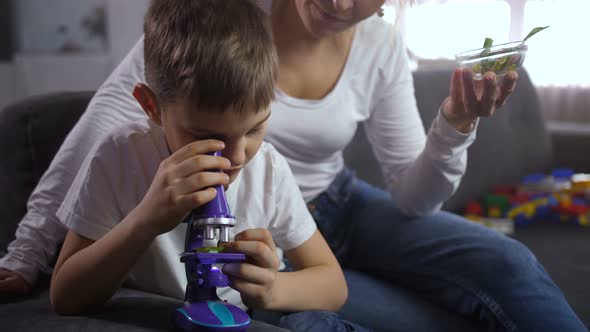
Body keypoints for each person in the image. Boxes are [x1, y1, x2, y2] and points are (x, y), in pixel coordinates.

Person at [1, 0, 587, 331]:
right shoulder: (224, 22)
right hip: (265, 232)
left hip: (338, 202)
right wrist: (27, 252)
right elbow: (107, 119)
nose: (336, 3)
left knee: (509, 263)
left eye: (256, 128)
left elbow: (412, 198)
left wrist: (455, 126)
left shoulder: (378, 48)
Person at [48, 1, 356, 331]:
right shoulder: (120, 156)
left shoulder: (268, 170)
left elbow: (333, 285)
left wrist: (272, 287)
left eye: (255, 128)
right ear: (152, 107)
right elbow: (65, 296)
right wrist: (145, 221)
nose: (237, 157)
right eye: (208, 136)